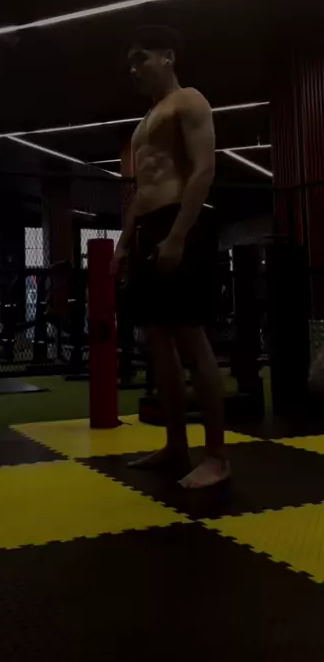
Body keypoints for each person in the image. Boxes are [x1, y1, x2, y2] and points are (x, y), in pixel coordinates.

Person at [111, 25, 230, 489]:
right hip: (148, 228)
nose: (134, 69)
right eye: (130, 61)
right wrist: (124, 243)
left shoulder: (190, 101)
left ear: (168, 57)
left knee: (190, 337)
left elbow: (204, 170)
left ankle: (217, 456)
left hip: (183, 222)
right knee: (157, 341)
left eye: (141, 57)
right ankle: (176, 445)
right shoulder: (145, 121)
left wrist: (179, 235)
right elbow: (140, 192)